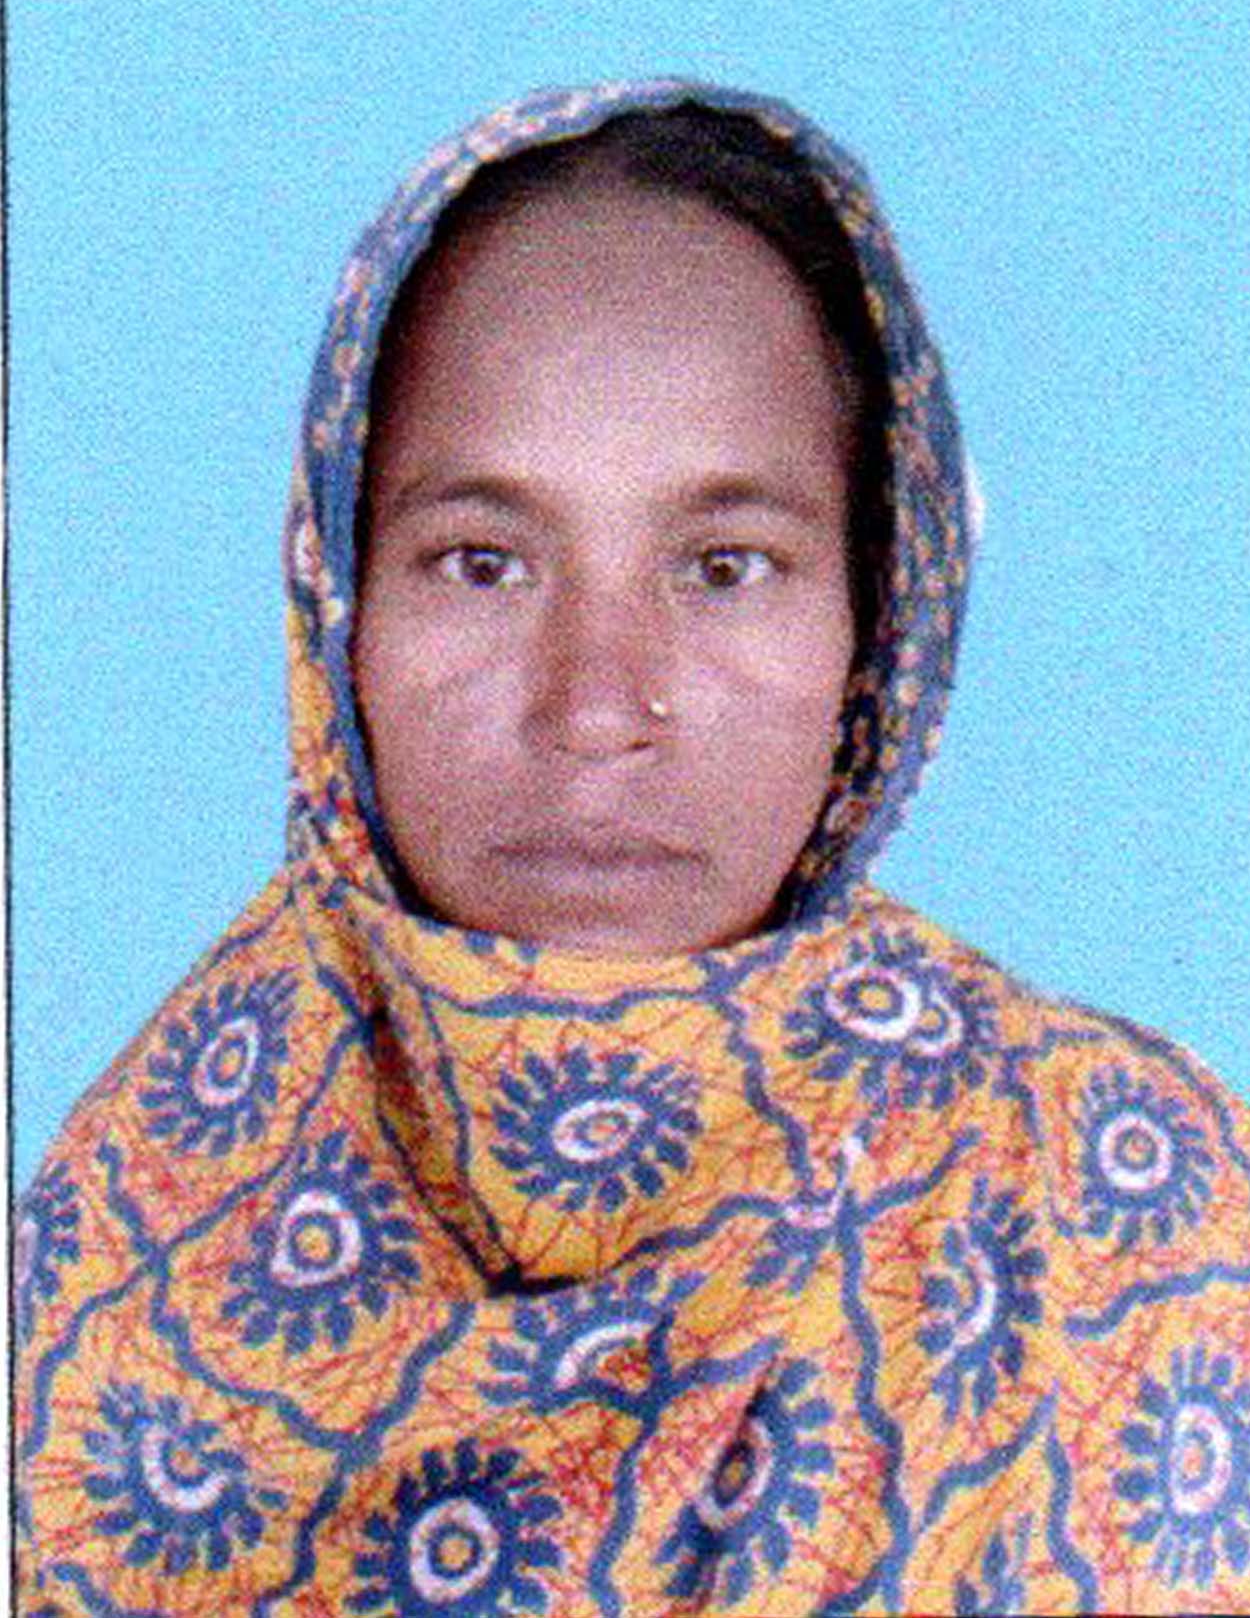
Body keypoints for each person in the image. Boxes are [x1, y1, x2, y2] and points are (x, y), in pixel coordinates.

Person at [14, 79, 1250, 1617]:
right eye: (482, 561)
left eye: (725, 566)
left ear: (878, 617)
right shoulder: (123, 1227)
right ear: (339, 600)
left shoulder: (1126, 1214)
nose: (596, 707)